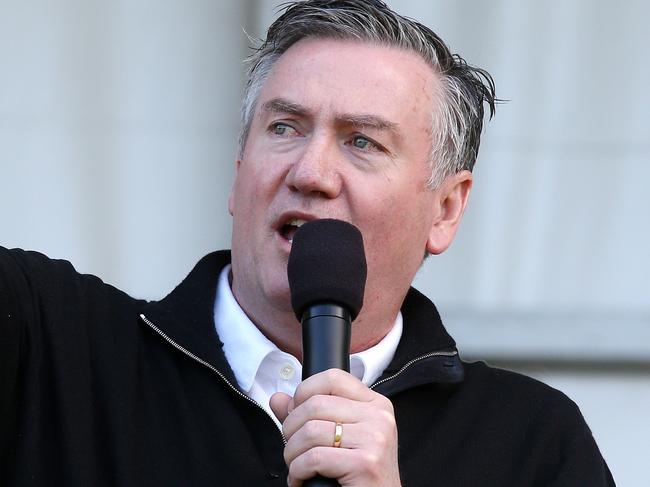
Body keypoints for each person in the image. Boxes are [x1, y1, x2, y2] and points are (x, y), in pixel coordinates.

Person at [0, 1, 615, 486]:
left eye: (362, 142)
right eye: (284, 127)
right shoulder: (51, 345)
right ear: (239, 168)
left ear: (446, 209)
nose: (310, 172)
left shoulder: (529, 442)